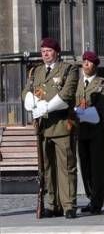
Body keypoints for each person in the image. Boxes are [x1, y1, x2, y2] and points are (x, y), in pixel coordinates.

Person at [23, 37, 79, 218]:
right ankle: (52, 203)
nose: (45, 54)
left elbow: (68, 93)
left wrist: (46, 106)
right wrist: (29, 99)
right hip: (43, 126)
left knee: (66, 166)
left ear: (57, 52)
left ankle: (68, 204)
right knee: (47, 167)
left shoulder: (68, 69)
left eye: (49, 50)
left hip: (62, 124)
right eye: (43, 51)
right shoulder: (36, 71)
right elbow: (27, 89)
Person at [74, 51, 104, 214]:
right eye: (84, 62)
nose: (86, 64)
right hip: (81, 131)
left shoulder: (103, 83)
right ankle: (90, 197)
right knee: (85, 166)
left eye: (89, 62)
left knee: (97, 168)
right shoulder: (77, 83)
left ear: (95, 66)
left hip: (97, 132)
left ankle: (97, 201)